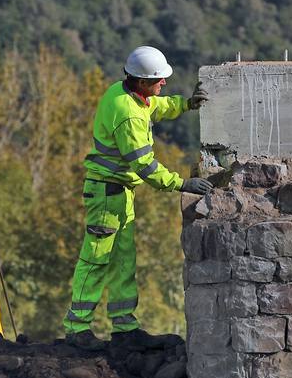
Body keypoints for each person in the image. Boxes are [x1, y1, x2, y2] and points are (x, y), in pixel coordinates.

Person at [65, 46, 214, 350]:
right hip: (107, 195)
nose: (164, 84)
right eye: (159, 80)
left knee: (122, 260)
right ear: (143, 82)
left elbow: (156, 107)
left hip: (117, 194)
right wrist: (182, 184)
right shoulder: (128, 114)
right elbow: (145, 167)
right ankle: (77, 328)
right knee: (96, 259)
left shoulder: (125, 94)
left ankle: (124, 327)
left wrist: (185, 105)